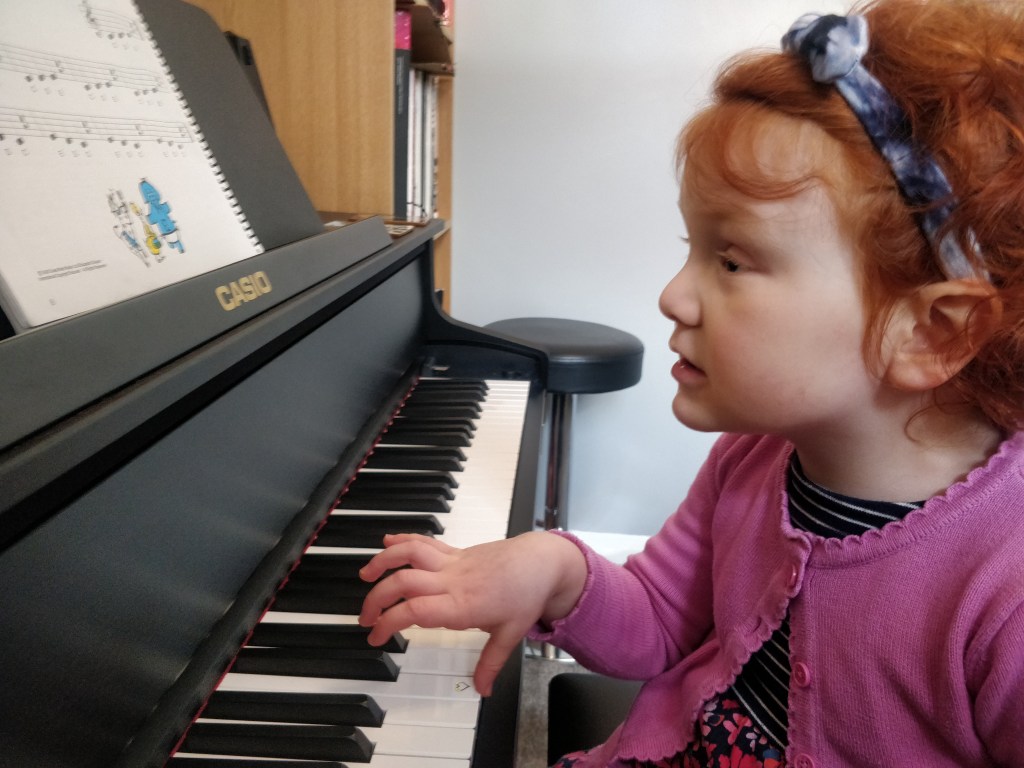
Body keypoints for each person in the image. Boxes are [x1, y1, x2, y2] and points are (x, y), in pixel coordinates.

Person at [358, 0, 1024, 765]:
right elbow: (659, 620)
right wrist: (558, 572)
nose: (673, 296)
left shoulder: (1004, 587)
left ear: (933, 332)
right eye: (693, 248)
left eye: (731, 261)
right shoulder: (751, 461)